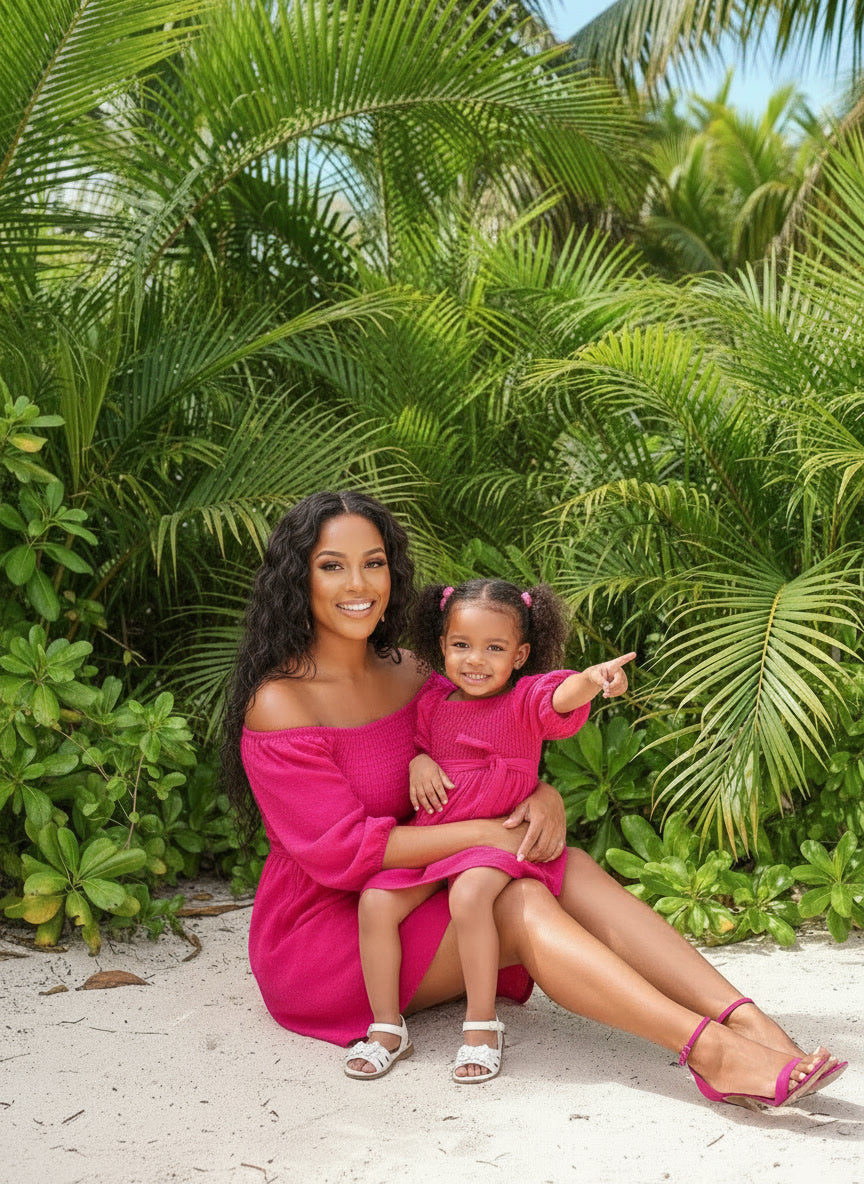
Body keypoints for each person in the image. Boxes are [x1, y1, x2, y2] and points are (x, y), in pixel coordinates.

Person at [223, 489, 844, 1110]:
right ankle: (713, 1054)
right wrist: (483, 833)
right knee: (518, 900)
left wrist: (541, 792)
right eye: (332, 565)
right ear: (297, 576)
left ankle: (747, 1021)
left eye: (374, 562)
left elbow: (483, 742)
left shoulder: (413, 669)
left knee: (563, 863)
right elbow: (343, 853)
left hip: (418, 881)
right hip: (330, 937)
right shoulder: (282, 702)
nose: (358, 583)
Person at [353, 578, 635, 1083]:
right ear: (441, 646)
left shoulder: (525, 700)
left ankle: (481, 1026)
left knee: (469, 897)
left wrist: (591, 680)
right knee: (375, 901)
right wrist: (419, 762)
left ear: (521, 654)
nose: (475, 660)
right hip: (439, 834)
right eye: (461, 645)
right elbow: (421, 746)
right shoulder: (434, 703)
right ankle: (386, 1028)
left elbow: (561, 697)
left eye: (494, 648)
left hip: (495, 842)